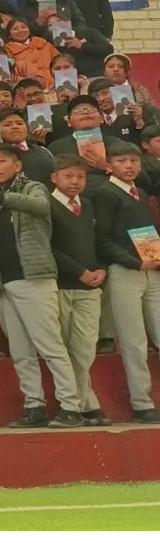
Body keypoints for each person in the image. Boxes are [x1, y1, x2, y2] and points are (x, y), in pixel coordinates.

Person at [0, 143, 85, 428]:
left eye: (1, 161)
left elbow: (42, 206)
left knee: (50, 345)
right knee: (21, 351)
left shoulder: (33, 187)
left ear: (18, 165)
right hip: (2, 282)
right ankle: (34, 406)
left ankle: (71, 407)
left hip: (34, 277)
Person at [86, 140, 160, 424]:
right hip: (125, 271)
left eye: (133, 161)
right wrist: (134, 262)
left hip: (151, 269)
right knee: (134, 340)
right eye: (121, 161)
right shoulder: (105, 193)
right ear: (109, 165)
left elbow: (147, 233)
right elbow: (102, 240)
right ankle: (142, 403)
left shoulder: (141, 192)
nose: (128, 166)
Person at [46, 155, 112, 426]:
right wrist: (79, 271)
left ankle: (82, 402)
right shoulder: (47, 205)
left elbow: (98, 242)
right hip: (61, 285)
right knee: (63, 348)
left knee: (85, 348)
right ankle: (79, 404)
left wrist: (101, 269)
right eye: (69, 176)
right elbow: (47, 246)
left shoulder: (87, 205)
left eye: (80, 177)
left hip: (90, 287)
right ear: (54, 178)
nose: (75, 181)